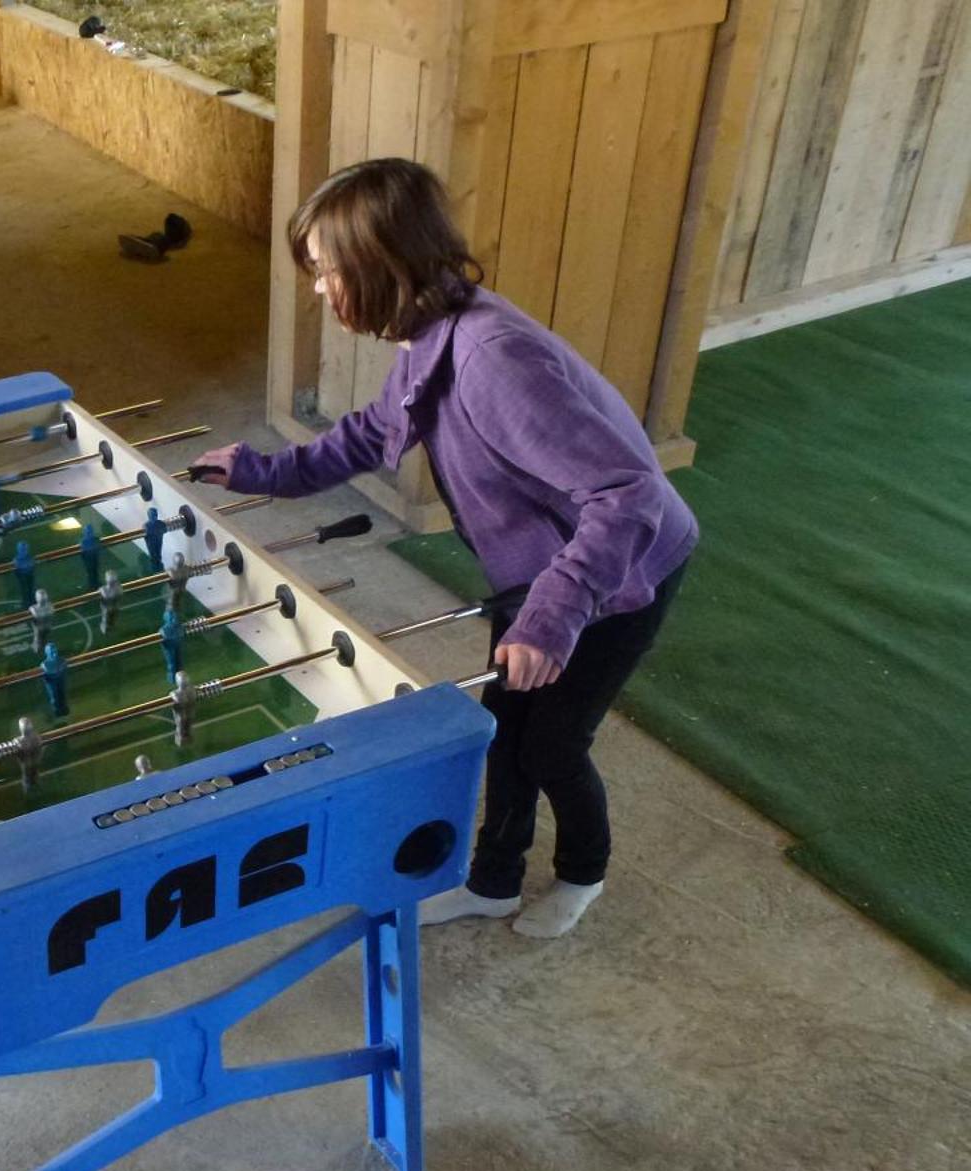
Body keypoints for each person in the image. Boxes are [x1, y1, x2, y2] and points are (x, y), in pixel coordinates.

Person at [193, 157, 697, 939]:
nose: (321, 290)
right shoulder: (431, 335)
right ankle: (493, 880)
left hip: (620, 572)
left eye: (327, 272)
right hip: (541, 575)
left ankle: (582, 873)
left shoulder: (495, 360)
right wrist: (262, 471)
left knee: (555, 743)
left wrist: (553, 618)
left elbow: (626, 494)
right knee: (506, 728)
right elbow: (372, 432)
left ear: (379, 262)